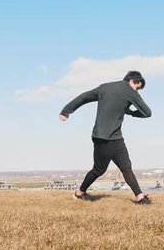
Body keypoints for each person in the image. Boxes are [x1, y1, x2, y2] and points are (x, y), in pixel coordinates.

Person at [59, 71, 153, 204]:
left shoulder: (104, 87)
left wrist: (66, 111)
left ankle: (139, 196)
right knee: (124, 168)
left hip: (99, 136)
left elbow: (84, 97)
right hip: (114, 138)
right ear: (133, 81)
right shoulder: (130, 92)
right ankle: (140, 198)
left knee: (101, 169)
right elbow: (147, 112)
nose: (137, 90)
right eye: (138, 87)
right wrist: (131, 112)